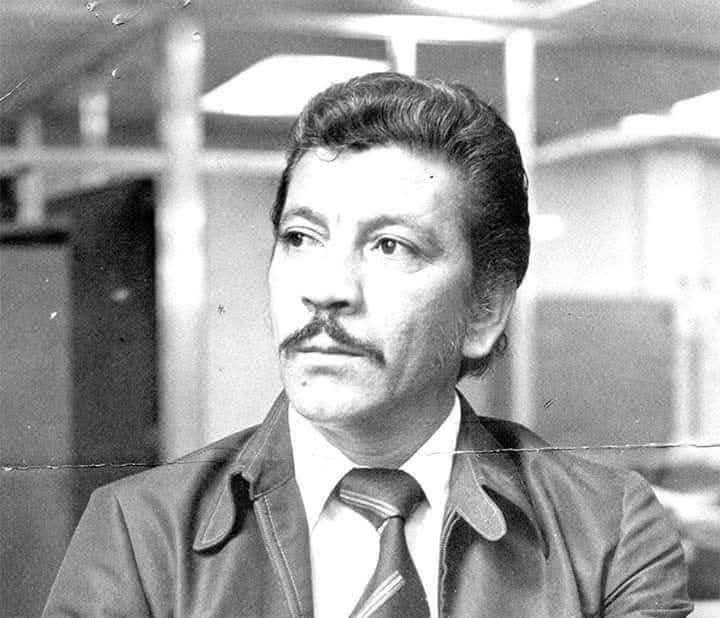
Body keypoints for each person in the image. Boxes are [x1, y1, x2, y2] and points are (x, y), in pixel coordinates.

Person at [43, 72, 692, 617]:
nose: (326, 290)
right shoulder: (140, 532)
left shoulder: (605, 531)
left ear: (484, 309)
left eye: (390, 246)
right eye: (301, 238)